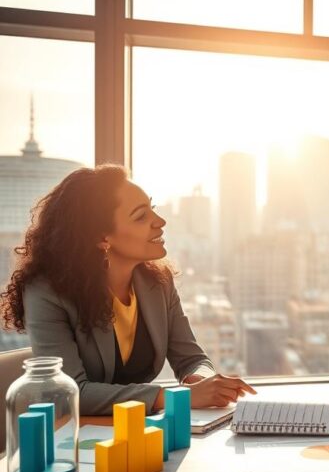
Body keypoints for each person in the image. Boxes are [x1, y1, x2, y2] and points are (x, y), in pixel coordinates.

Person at [1, 165, 256, 416]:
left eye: (152, 209)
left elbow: (191, 358)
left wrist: (200, 381)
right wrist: (176, 398)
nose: (160, 221)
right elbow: (71, 392)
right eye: (141, 216)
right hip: (76, 438)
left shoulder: (158, 281)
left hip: (140, 431)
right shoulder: (47, 292)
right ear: (102, 237)